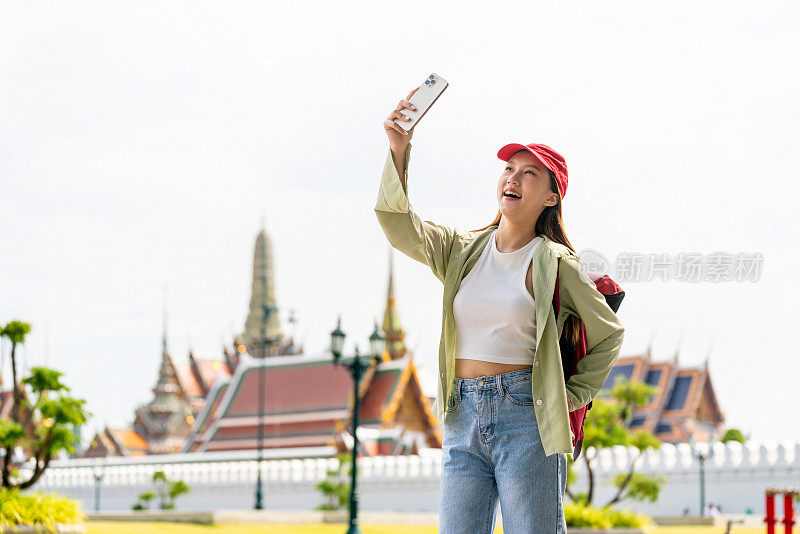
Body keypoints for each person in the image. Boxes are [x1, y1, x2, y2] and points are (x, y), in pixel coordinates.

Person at [375, 86, 625, 533]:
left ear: (551, 197)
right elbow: (398, 226)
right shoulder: (460, 250)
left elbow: (608, 333)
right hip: (461, 414)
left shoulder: (554, 263)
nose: (513, 177)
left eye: (530, 173)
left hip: (524, 414)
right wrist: (399, 148)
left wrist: (572, 396)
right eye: (509, 169)